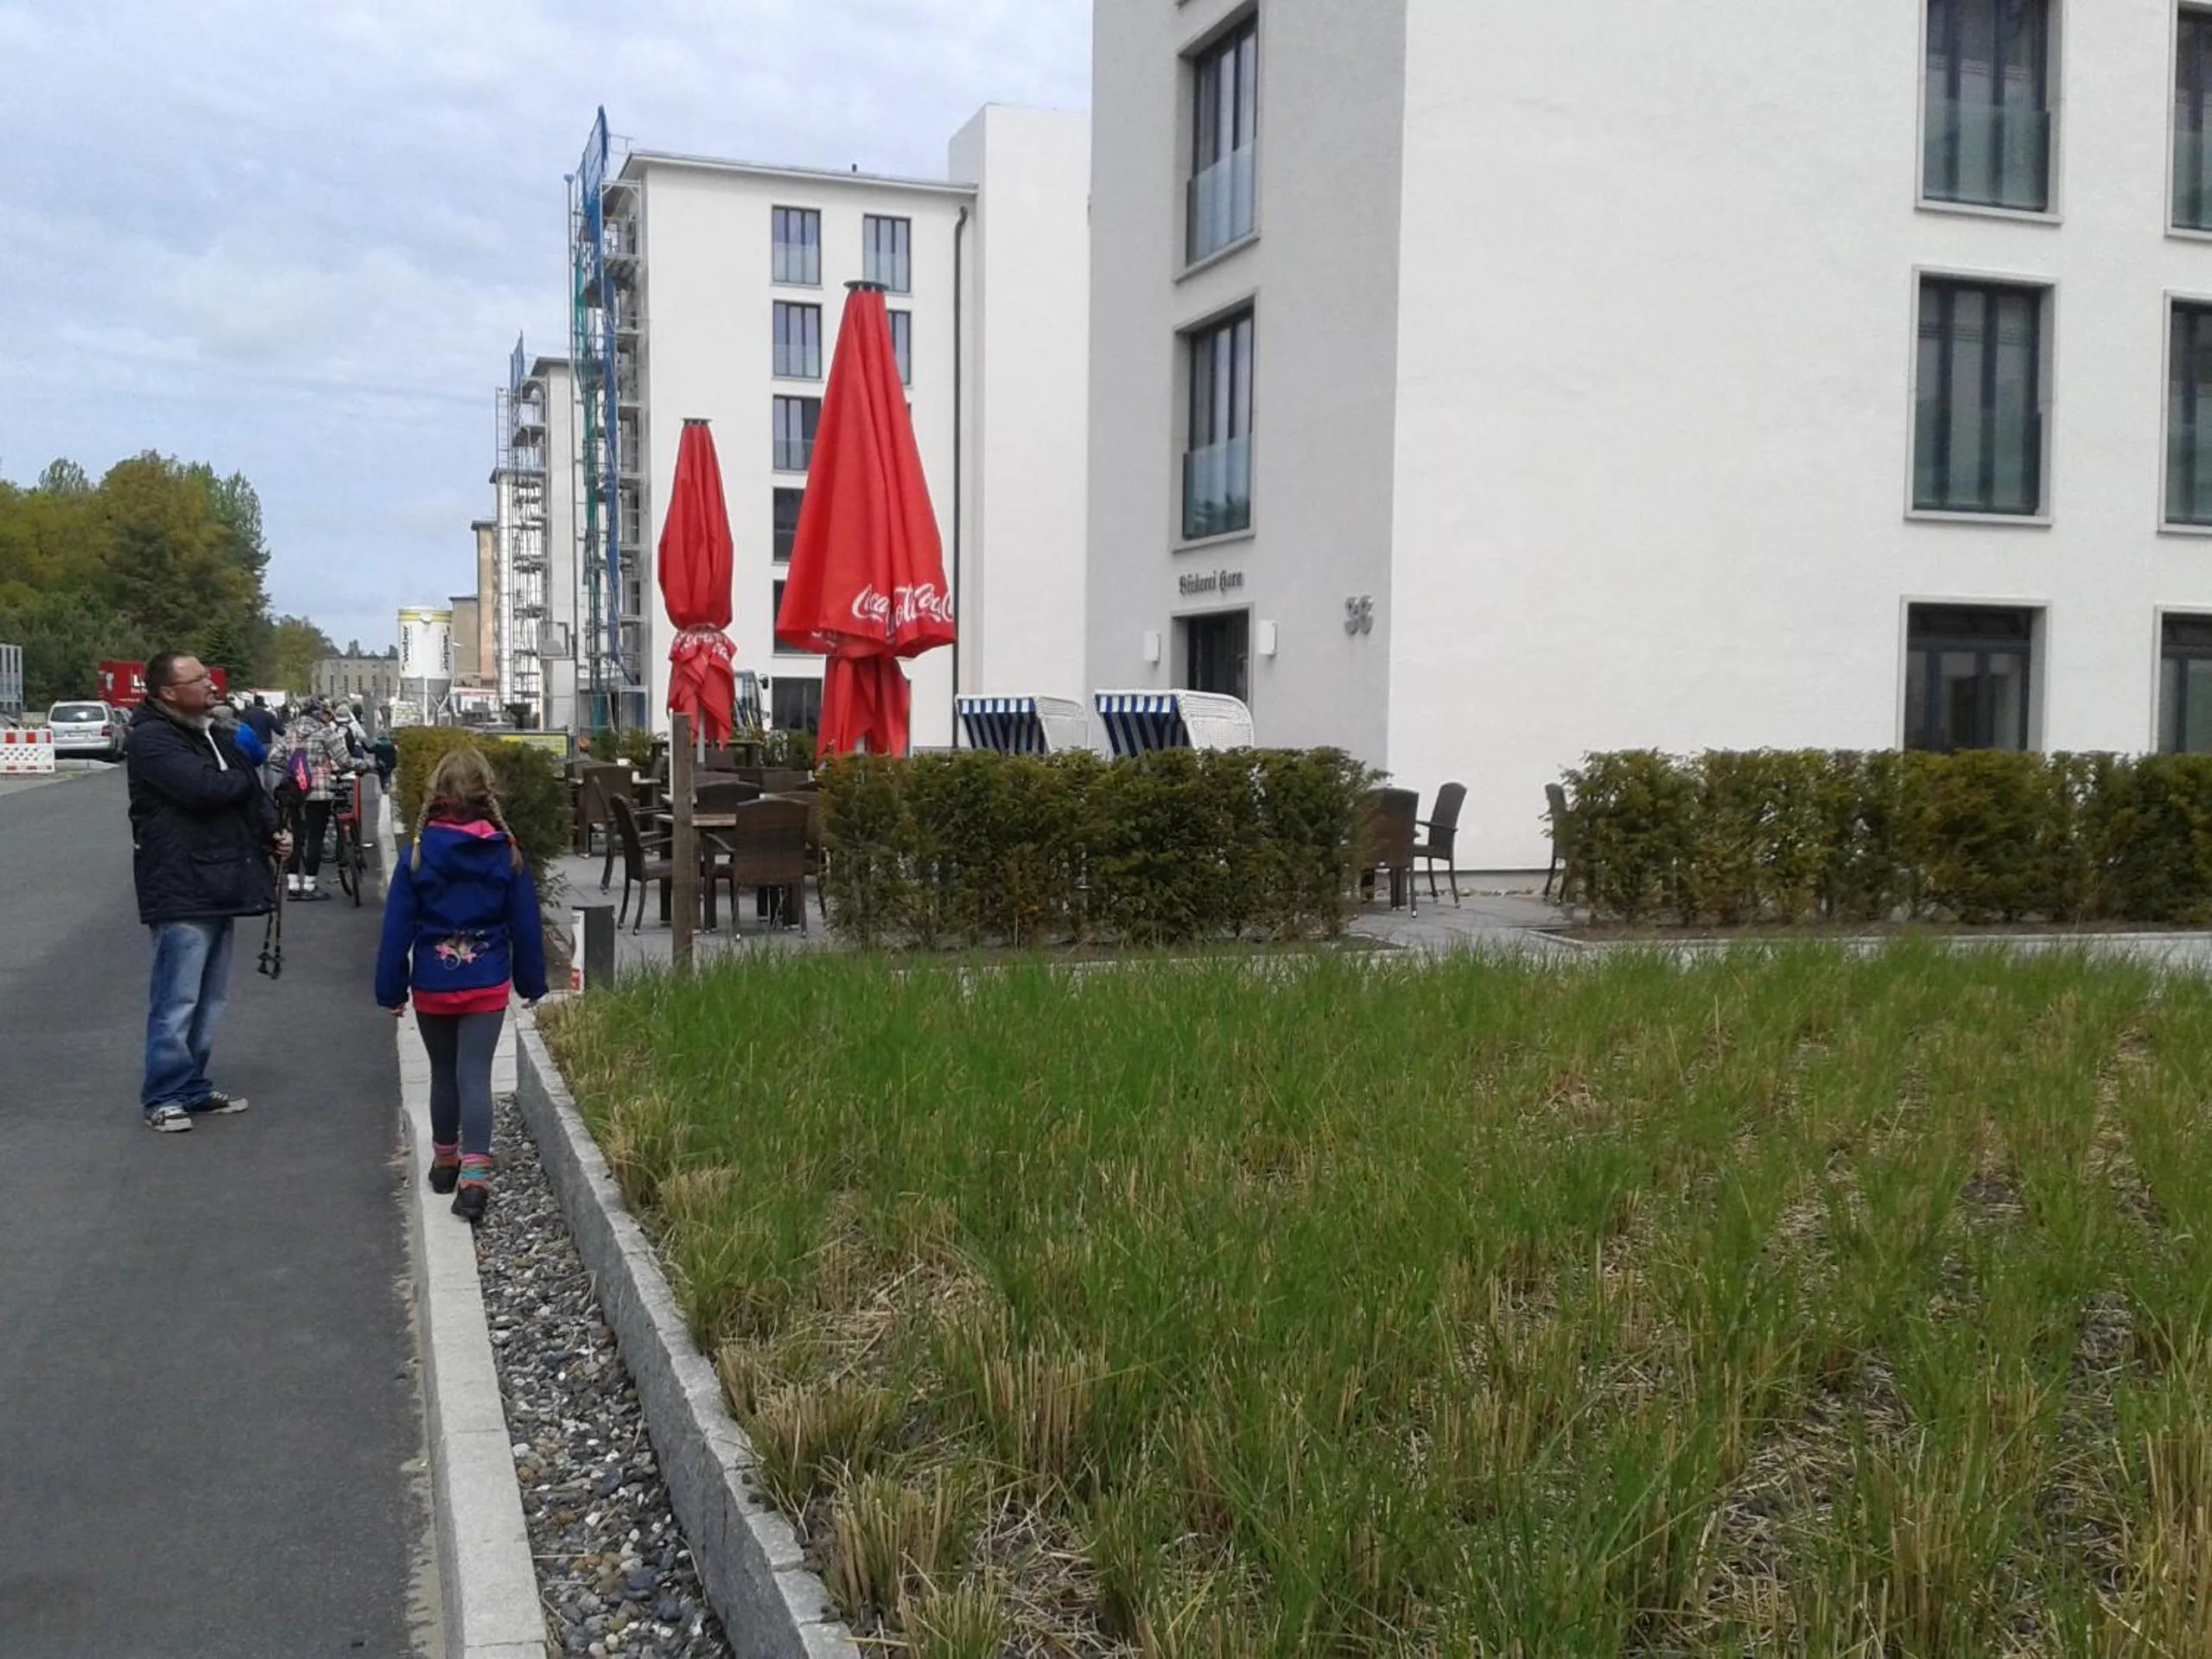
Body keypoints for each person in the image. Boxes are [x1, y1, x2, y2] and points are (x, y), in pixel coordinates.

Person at [375, 747, 548, 1223]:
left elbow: (396, 930)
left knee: (442, 1072)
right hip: (487, 982)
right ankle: (475, 1176)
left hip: (432, 981)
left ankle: (445, 1159)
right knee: (476, 1075)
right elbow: (526, 926)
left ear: (436, 794)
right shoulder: (506, 853)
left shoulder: (417, 853)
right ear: (487, 794)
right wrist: (532, 982)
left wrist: (390, 989)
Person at [126, 652, 292, 1132]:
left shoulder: (214, 734)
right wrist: (242, 780)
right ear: (166, 692)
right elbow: (203, 790)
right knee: (176, 997)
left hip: (222, 879)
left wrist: (272, 833)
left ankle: (193, 1086)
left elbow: (253, 796)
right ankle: (163, 1095)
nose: (209, 683)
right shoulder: (152, 739)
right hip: (180, 884)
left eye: (206, 674)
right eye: (196, 679)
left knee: (210, 997)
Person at [281, 696, 355, 901]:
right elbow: (344, 760)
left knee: (296, 836)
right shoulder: (325, 733)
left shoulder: (290, 732)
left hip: (295, 791)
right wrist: (359, 765)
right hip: (318, 792)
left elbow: (273, 757)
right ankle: (310, 885)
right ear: (318, 714)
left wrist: (294, 770)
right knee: (315, 838)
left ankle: (293, 885)